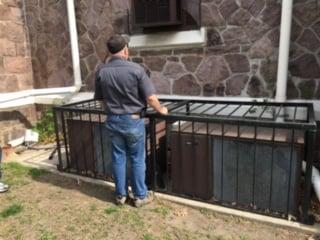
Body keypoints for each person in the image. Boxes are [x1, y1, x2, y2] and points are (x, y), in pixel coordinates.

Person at [94, 34, 168, 207]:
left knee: (118, 158)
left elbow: (101, 100)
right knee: (137, 158)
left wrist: (111, 111)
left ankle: (120, 195)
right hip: (133, 121)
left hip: (113, 120)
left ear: (110, 52)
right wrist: (161, 110)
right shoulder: (136, 69)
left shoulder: (101, 71)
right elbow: (150, 98)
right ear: (125, 50)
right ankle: (140, 196)